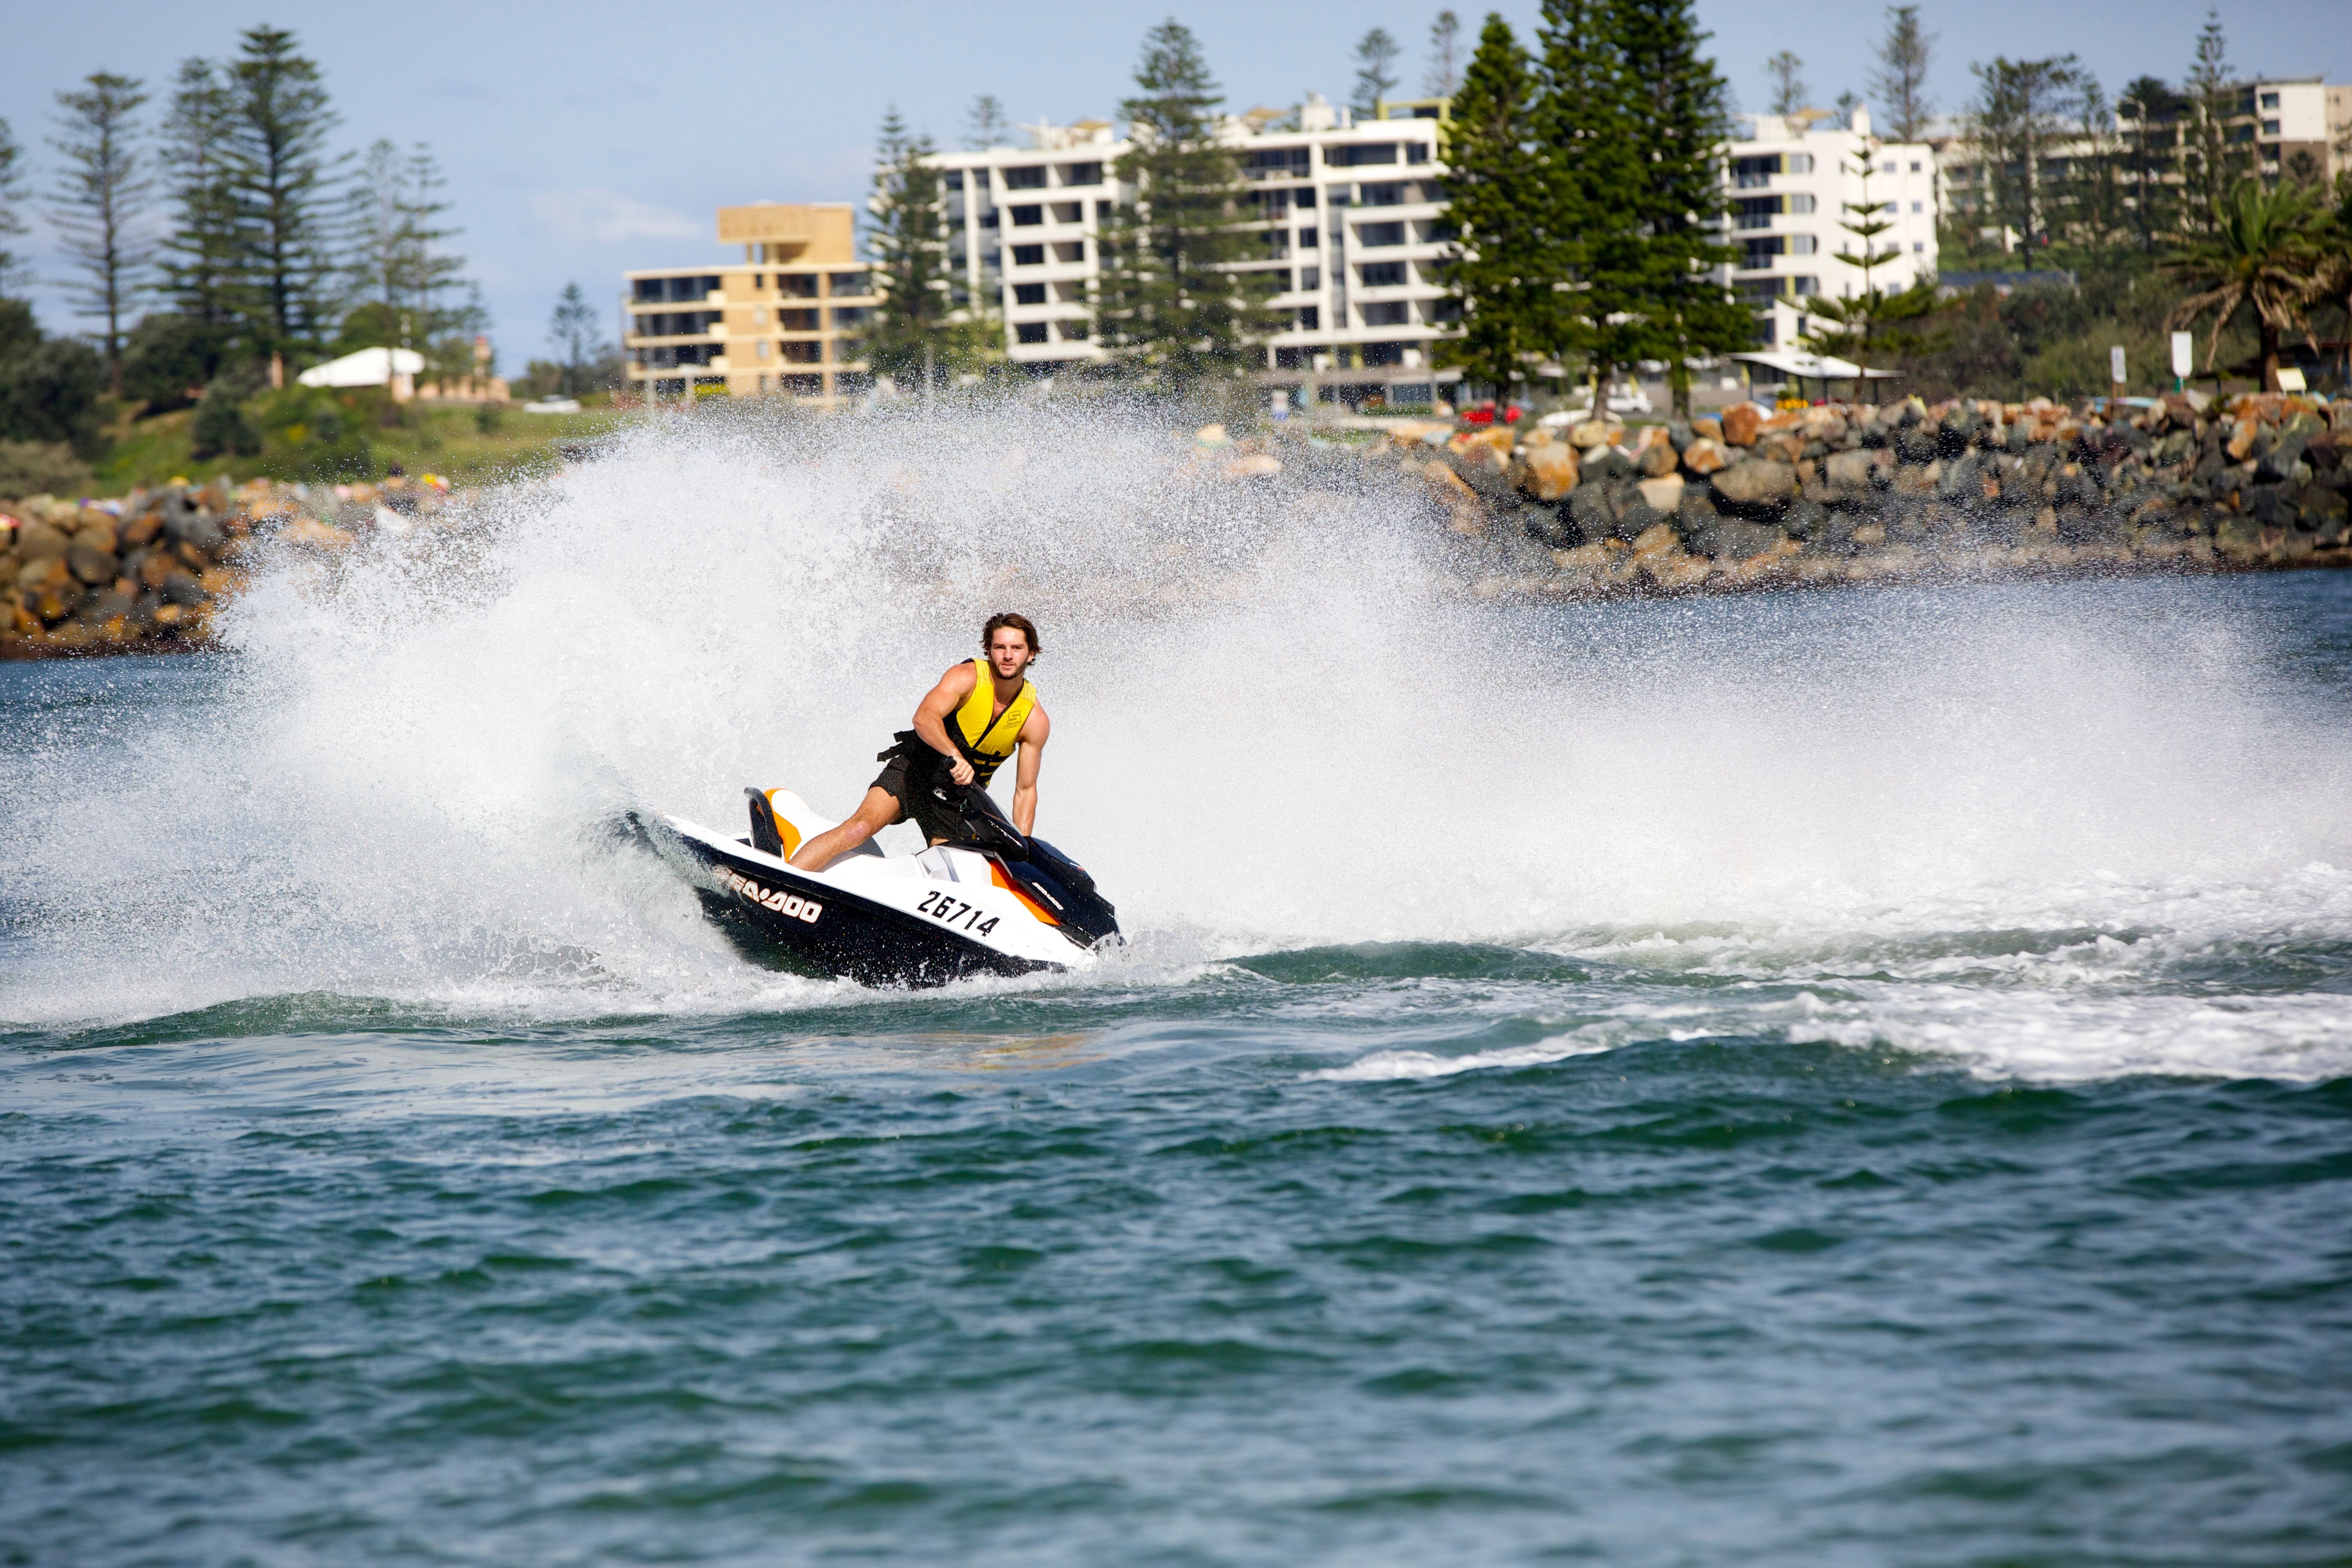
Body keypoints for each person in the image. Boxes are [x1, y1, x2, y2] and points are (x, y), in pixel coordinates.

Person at [788, 612, 1051, 872]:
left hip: (955, 799)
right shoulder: (966, 678)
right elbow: (924, 717)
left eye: (1017, 648)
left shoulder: (1034, 720)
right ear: (989, 651)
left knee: (951, 872)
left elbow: (1025, 791)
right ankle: (779, 880)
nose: (1007, 655)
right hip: (914, 771)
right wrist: (955, 755)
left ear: (1031, 654)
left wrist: (1022, 850)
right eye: (1000, 647)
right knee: (859, 828)